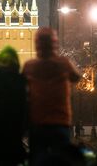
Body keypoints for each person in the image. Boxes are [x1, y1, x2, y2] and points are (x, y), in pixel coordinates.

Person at [22, 27, 80, 165]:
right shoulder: (63, 63)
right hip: (60, 121)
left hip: (37, 123)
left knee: (37, 159)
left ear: (36, 44)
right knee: (62, 160)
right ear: (55, 43)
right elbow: (76, 77)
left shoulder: (29, 66)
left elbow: (22, 86)